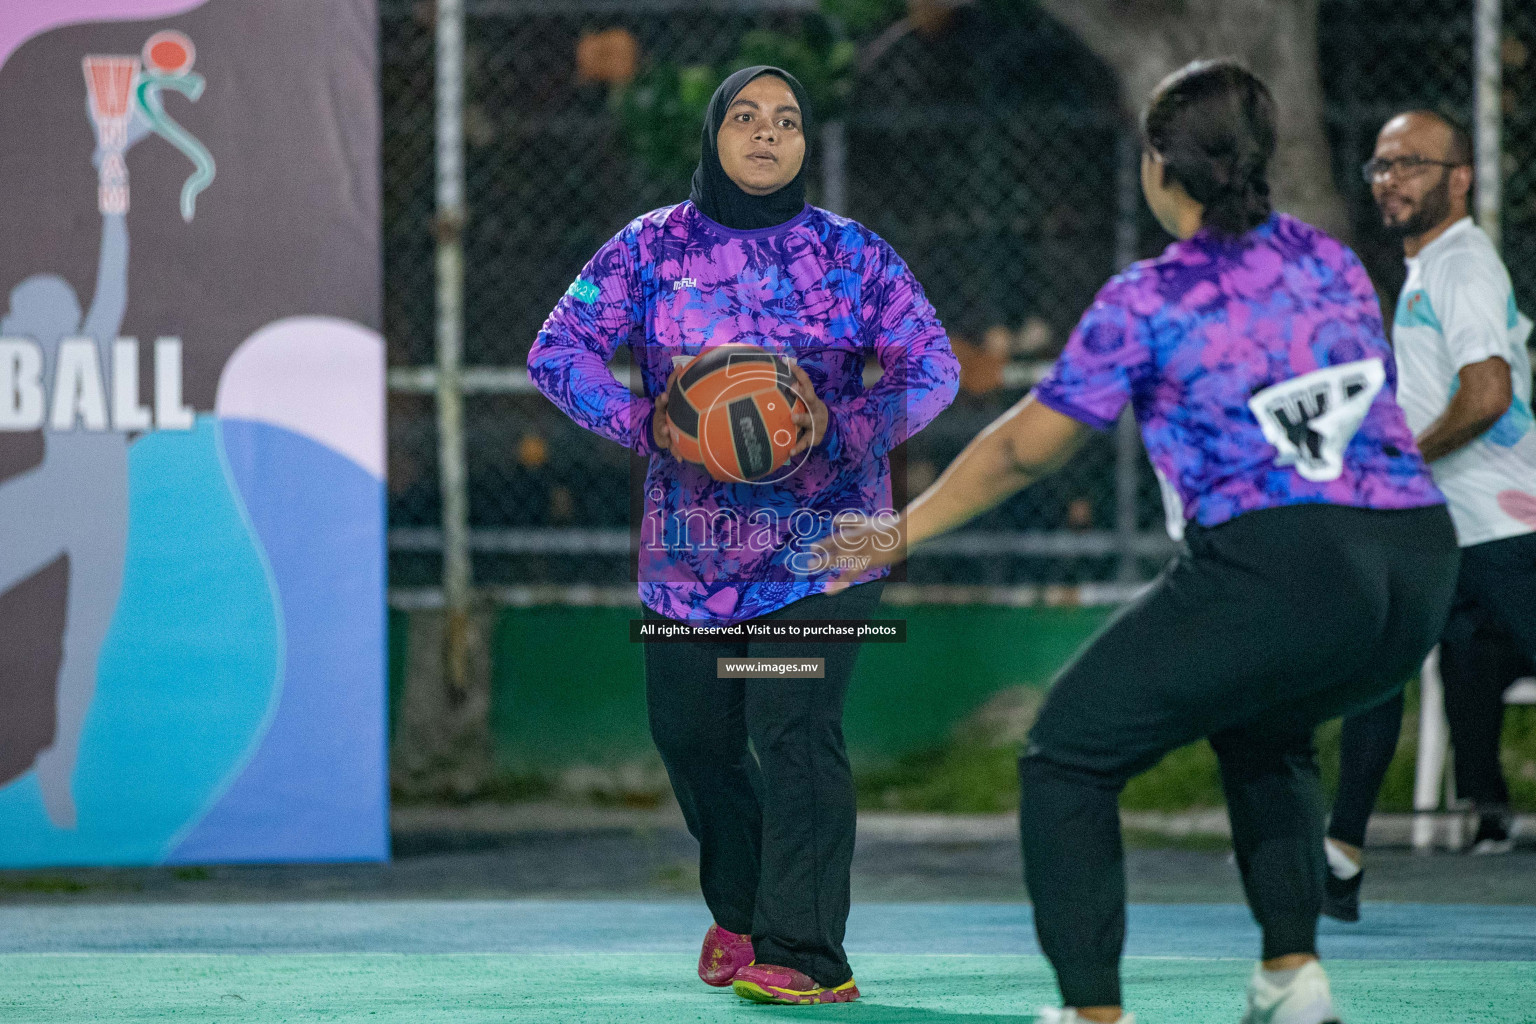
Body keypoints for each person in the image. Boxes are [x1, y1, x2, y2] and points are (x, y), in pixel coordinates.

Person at [817, 59, 1457, 1024]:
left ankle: (1092, 1014)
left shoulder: (1147, 299)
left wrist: (889, 535)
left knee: (1067, 757)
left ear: (1160, 167)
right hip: (1416, 565)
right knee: (1268, 730)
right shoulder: (1330, 260)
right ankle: (1293, 980)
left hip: (1284, 566)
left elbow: (1021, 453)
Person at [527, 66, 959, 1005]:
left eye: (789, 121)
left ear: (806, 144)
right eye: (749, 118)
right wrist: (649, 422)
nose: (769, 134)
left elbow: (933, 367)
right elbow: (555, 352)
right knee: (694, 741)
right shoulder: (651, 247)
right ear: (716, 132)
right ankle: (743, 909)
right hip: (692, 556)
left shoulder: (852, 255)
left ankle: (807, 955)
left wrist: (844, 427)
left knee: (795, 729)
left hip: (824, 546)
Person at [1324, 110, 1536, 920]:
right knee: (1377, 670)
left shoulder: (1461, 266)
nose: (1392, 179)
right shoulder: (1427, 269)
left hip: (1505, 527)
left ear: (1461, 178)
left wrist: (1402, 457)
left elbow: (1487, 395)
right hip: (1445, 523)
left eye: (1412, 164)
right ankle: (1339, 860)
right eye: (1381, 166)